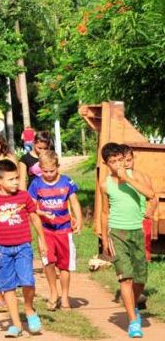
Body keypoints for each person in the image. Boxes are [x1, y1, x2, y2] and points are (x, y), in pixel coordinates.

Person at [0, 159, 48, 337]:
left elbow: (34, 218)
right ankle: (16, 325)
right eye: (11, 179)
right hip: (3, 250)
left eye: (17, 178)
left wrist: (42, 239)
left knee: (28, 281)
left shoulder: (24, 196)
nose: (16, 182)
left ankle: (29, 310)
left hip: (23, 247)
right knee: (8, 287)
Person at [98, 142, 155, 338]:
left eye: (120, 160)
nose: (117, 165)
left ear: (124, 159)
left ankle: (133, 306)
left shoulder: (135, 176)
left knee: (140, 278)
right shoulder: (105, 183)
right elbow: (105, 213)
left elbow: (150, 194)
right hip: (117, 233)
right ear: (107, 164)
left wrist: (127, 179)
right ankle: (132, 321)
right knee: (126, 278)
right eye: (112, 162)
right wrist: (105, 238)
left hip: (137, 232)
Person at [28, 151, 82, 311]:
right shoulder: (36, 184)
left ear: (58, 167)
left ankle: (65, 296)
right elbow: (31, 208)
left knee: (65, 265)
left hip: (64, 230)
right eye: (45, 171)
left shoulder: (67, 182)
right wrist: (42, 213)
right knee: (48, 262)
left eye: (52, 171)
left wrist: (78, 219)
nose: (49, 174)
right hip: (45, 231)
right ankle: (53, 292)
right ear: (40, 169)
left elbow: (74, 202)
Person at [122, 146, 157, 263]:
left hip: (141, 218)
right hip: (124, 220)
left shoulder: (143, 177)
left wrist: (151, 211)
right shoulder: (116, 178)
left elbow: (153, 197)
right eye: (123, 161)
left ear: (133, 159)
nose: (126, 164)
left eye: (129, 160)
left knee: (143, 252)